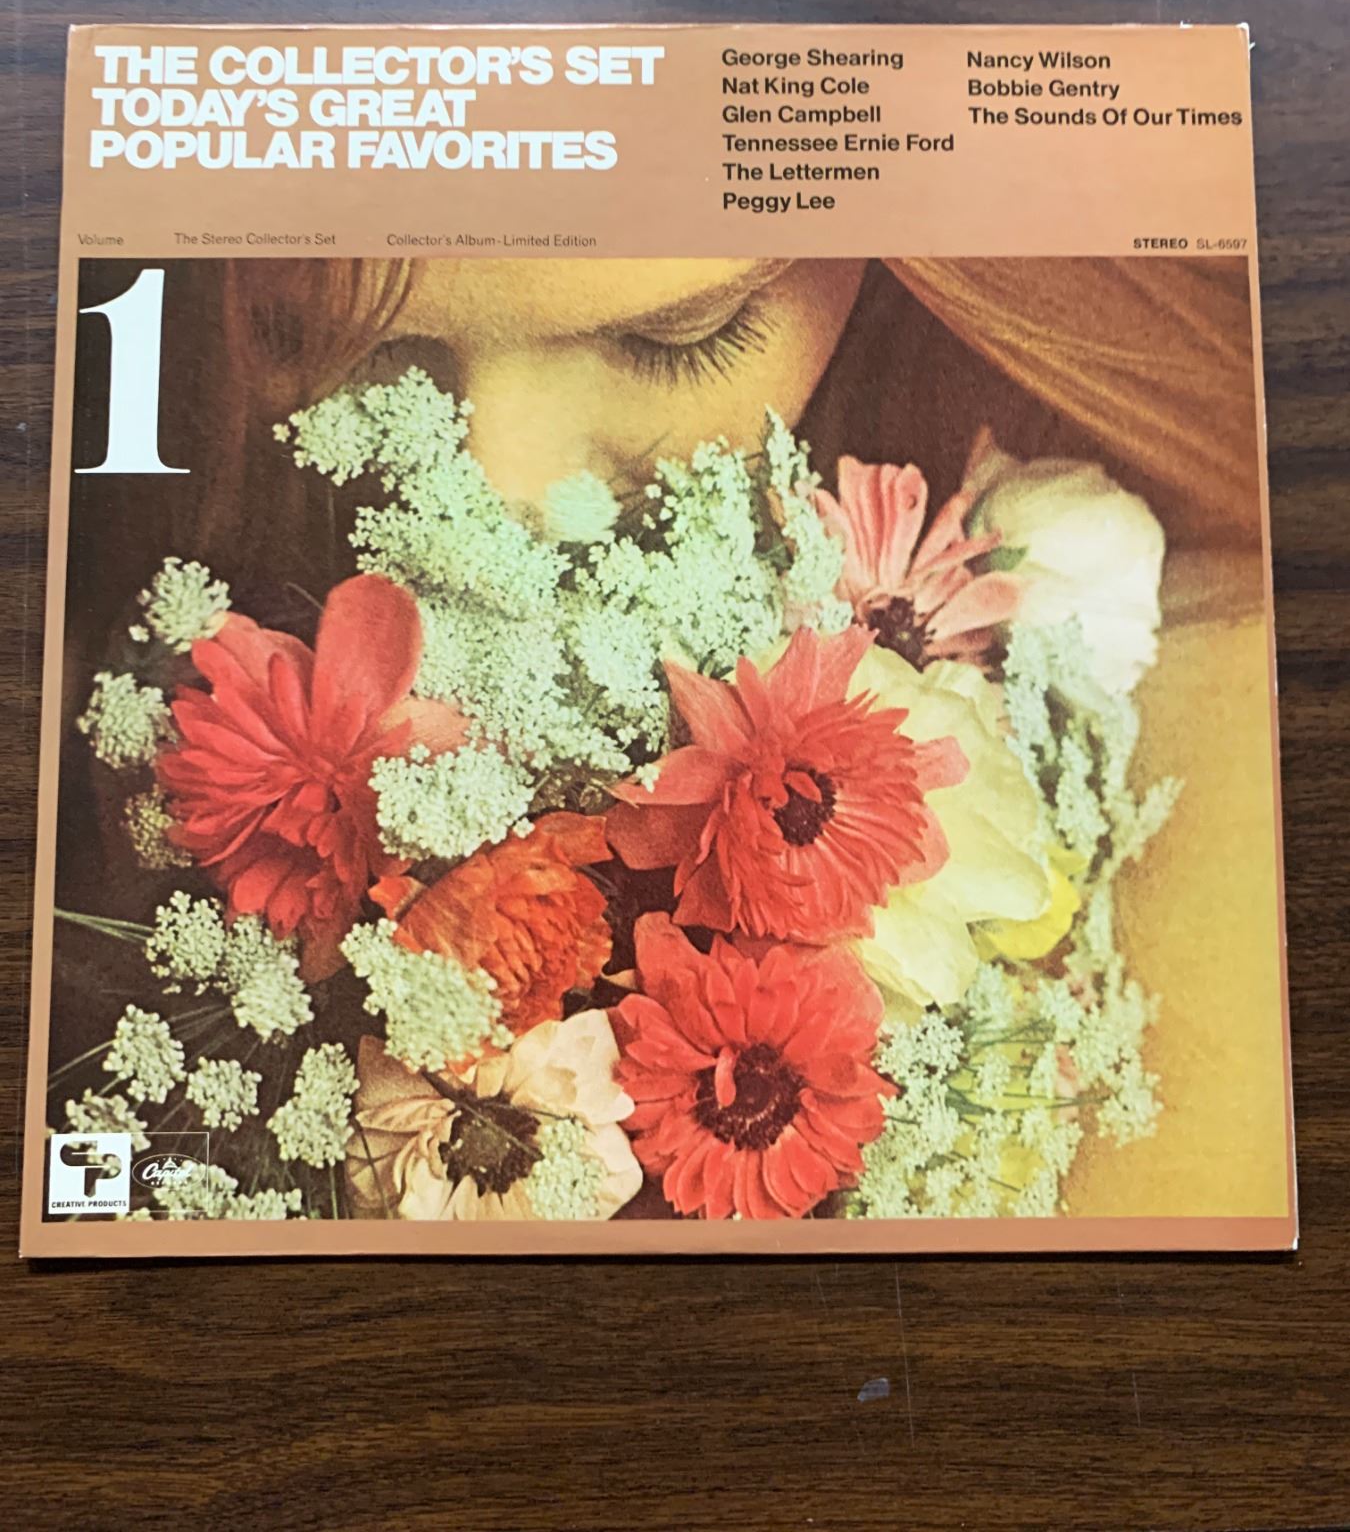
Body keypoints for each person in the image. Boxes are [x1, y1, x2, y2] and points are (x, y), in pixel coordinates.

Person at [61, 253, 1289, 1220]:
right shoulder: (119, 610)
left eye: (680, 335)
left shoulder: (1198, 685)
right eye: (332, 345)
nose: (504, 492)